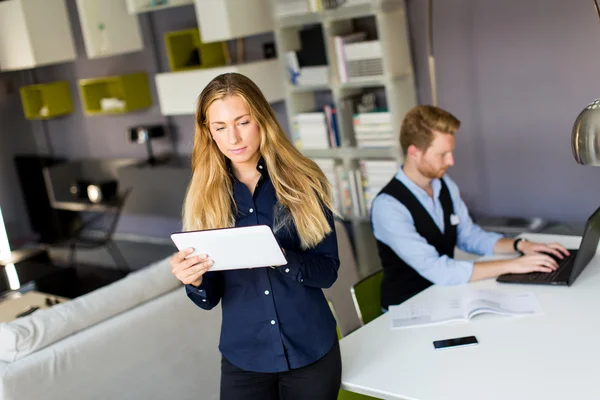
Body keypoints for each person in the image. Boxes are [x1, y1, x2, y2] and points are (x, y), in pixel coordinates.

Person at [169, 73, 341, 400]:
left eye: (242, 122)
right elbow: (209, 298)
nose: (233, 137)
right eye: (220, 127)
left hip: (311, 351)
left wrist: (277, 256)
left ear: (261, 119)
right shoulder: (203, 197)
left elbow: (328, 272)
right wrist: (193, 280)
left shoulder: (305, 181)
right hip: (244, 357)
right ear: (209, 133)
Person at [371, 105, 570, 310]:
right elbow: (439, 270)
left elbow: (469, 236)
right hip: (409, 309)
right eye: (443, 154)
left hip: (443, 296)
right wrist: (514, 265)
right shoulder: (388, 207)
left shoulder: (444, 184)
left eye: (451, 152)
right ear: (414, 152)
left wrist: (520, 245)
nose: (451, 161)